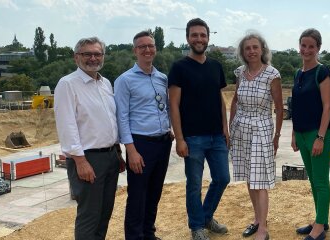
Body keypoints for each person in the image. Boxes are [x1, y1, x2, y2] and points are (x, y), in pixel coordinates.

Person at [54, 37, 123, 240]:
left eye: (97, 54)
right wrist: (80, 161)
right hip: (87, 160)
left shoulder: (105, 83)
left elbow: (109, 121)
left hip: (110, 157)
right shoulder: (68, 84)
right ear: (76, 57)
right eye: (87, 54)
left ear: (103, 56)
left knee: (104, 213)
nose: (93, 58)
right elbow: (66, 125)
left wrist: (117, 153)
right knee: (89, 216)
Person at [168, 18, 230, 240]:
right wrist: (180, 138)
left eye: (203, 35)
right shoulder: (179, 67)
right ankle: (197, 226)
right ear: (187, 38)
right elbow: (173, 105)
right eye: (194, 35)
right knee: (194, 184)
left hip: (216, 136)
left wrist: (225, 127)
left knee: (222, 178)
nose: (199, 39)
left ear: (208, 38)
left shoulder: (216, 66)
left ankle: (206, 217)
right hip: (192, 138)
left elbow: (220, 99)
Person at [114, 30, 174, 240]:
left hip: (163, 143)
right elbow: (121, 117)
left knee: (155, 192)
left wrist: (170, 129)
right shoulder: (125, 80)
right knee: (137, 196)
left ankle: (148, 233)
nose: (147, 50)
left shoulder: (162, 78)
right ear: (135, 51)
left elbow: (165, 107)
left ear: (155, 49)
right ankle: (134, 237)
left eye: (150, 46)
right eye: (142, 47)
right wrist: (131, 150)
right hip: (140, 145)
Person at [229, 31, 283, 240]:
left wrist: (276, 136)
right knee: (250, 179)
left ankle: (263, 229)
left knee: (260, 180)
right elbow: (235, 100)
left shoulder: (272, 74)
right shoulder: (240, 73)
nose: (251, 51)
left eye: (255, 47)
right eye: (247, 48)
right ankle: (257, 219)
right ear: (243, 52)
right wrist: (231, 127)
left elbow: (278, 108)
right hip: (241, 129)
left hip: (261, 129)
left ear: (262, 50)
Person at [291, 28, 330, 240]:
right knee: (312, 180)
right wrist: (293, 134)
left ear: (318, 48)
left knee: (320, 181)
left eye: (311, 46)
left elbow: (327, 107)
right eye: (303, 45)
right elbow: (296, 106)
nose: (306, 50)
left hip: (318, 135)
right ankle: (321, 219)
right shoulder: (298, 74)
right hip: (301, 134)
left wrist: (320, 137)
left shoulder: (322, 72)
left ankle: (320, 228)